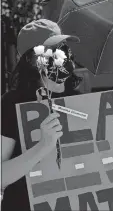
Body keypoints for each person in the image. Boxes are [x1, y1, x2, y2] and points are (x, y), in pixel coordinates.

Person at [1, 19, 81, 211]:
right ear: (31, 60)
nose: (63, 55)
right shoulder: (11, 104)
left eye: (64, 46)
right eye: (53, 49)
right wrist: (43, 146)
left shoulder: (80, 100)